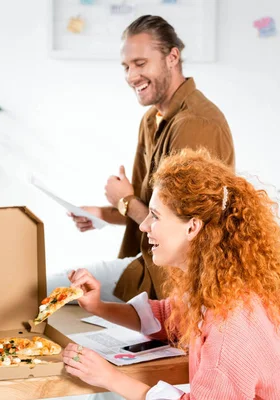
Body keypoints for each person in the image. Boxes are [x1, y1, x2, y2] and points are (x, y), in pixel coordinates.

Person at [63, 149, 280, 399]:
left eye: (155, 216)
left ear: (193, 227)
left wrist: (109, 378)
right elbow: (168, 316)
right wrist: (99, 307)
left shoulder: (232, 325)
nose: (143, 225)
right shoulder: (224, 289)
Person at [54, 15, 235, 302]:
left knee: (47, 289)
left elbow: (179, 226)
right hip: (146, 261)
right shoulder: (152, 119)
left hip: (174, 278)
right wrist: (103, 213)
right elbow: (148, 205)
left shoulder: (196, 123)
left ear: (172, 57)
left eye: (140, 64)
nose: (131, 76)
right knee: (50, 289)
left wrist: (123, 201)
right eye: (127, 67)